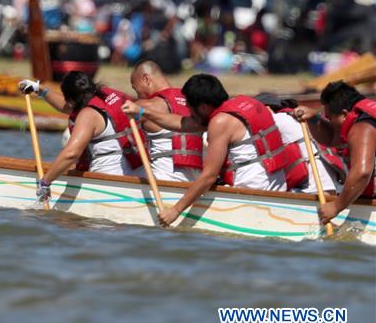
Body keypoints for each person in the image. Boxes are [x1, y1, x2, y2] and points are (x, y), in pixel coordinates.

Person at [122, 74, 296, 226]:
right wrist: (141, 111)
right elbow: (181, 123)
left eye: (189, 108)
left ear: (203, 107)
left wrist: (175, 210)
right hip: (278, 189)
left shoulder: (220, 123)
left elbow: (209, 177)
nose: (188, 112)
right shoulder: (246, 102)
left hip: (253, 196)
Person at [19, 72, 145, 202]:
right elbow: (67, 107)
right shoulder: (106, 97)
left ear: (71, 100)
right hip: (136, 174)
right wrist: (40, 90)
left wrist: (45, 182)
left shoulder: (88, 115)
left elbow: (71, 154)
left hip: (107, 184)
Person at [294, 81, 376, 225]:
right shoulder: (361, 118)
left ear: (344, 114)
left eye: (329, 118)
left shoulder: (363, 128)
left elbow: (362, 173)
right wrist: (314, 118)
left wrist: (336, 206)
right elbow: (332, 138)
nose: (329, 122)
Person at [128, 59, 203, 182]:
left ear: (146, 79)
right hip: (194, 182)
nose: (137, 95)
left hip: (162, 181)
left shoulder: (144, 106)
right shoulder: (194, 103)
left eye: (136, 89)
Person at [255, 93, 342, 195]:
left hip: (314, 190)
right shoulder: (297, 117)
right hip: (333, 188)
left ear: (266, 108)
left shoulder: (277, 120)